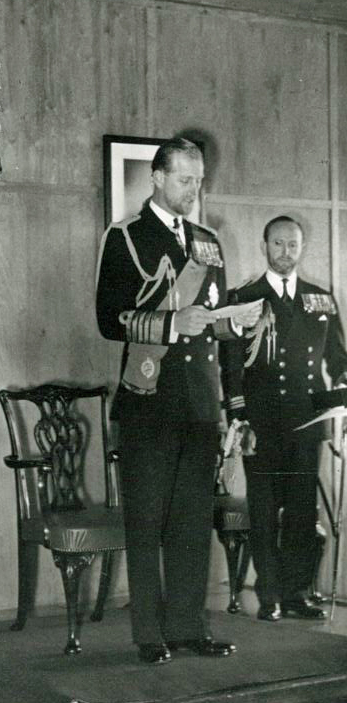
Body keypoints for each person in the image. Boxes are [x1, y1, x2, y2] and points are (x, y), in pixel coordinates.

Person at [95, 137, 260, 665]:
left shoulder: (208, 242)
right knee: (147, 523)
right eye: (186, 180)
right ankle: (149, 633)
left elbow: (217, 329)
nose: (194, 190)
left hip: (199, 403)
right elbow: (108, 318)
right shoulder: (126, 236)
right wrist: (171, 323)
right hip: (149, 402)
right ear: (158, 178)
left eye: (199, 180)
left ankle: (188, 628)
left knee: (192, 524)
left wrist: (235, 335)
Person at [220, 216, 347, 622]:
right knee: (263, 511)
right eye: (278, 244)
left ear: (302, 248)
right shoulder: (243, 298)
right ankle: (269, 595)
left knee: (301, 513)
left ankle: (295, 593)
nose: (285, 252)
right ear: (264, 246)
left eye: (292, 245)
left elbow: (338, 361)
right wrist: (239, 417)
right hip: (261, 424)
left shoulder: (320, 300)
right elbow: (231, 367)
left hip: (307, 423)